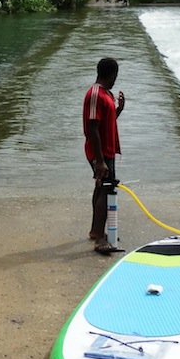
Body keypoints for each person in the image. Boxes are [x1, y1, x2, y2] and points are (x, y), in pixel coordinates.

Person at [83, 58, 125, 255]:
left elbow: (104, 122)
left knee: (101, 187)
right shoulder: (95, 94)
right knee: (107, 189)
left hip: (107, 151)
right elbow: (92, 128)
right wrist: (99, 161)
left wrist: (118, 110)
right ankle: (100, 238)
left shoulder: (106, 94)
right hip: (99, 152)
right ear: (112, 75)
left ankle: (95, 230)